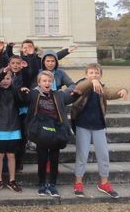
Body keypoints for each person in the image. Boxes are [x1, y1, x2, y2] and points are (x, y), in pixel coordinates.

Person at [71, 63, 128, 199]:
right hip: (82, 125)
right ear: (86, 75)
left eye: (96, 73)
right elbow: (78, 89)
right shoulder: (82, 84)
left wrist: (123, 90)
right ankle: (78, 182)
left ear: (101, 75)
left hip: (99, 126)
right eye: (91, 73)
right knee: (82, 155)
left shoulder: (101, 88)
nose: (94, 75)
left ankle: (104, 182)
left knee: (103, 155)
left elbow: (110, 93)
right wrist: (92, 81)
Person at [21, 70, 79, 198]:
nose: (47, 83)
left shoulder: (58, 94)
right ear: (39, 82)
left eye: (49, 81)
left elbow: (70, 98)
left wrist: (76, 94)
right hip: (41, 130)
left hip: (55, 130)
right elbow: (24, 98)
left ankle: (52, 184)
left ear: (52, 83)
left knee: (54, 159)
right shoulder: (34, 94)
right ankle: (42, 184)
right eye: (44, 81)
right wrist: (23, 92)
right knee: (42, 158)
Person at [0, 67, 24, 193]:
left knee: (11, 155)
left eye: (7, 78)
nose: (5, 81)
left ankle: (12, 180)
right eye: (3, 79)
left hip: (13, 128)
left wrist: (22, 91)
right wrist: (0, 74)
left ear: (11, 79)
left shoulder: (14, 91)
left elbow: (21, 99)